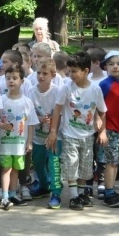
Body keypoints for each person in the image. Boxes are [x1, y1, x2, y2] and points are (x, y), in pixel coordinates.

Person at [46, 51, 107, 210]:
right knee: (71, 166)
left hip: (87, 135)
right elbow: (57, 111)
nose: (70, 74)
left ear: (86, 71)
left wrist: (102, 131)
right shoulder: (66, 88)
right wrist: (53, 131)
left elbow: (102, 111)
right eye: (69, 71)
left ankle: (81, 194)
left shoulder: (95, 89)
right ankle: (74, 197)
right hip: (69, 135)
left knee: (85, 168)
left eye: (74, 71)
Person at [0, 66, 39, 210]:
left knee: (15, 169)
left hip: (20, 143)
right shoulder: (0, 100)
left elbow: (31, 123)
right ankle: (5, 196)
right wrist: (1, 124)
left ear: (22, 81)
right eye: (8, 78)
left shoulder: (27, 101)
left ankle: (13, 194)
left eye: (15, 78)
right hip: (5, 143)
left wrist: (30, 142)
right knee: (6, 168)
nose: (11, 81)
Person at [27, 58, 64, 207]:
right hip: (37, 136)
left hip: (54, 135)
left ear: (53, 75)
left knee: (53, 164)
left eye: (45, 73)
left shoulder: (57, 92)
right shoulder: (31, 91)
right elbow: (28, 112)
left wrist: (53, 133)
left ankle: (56, 193)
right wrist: (38, 118)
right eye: (39, 73)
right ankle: (43, 186)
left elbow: (59, 113)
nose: (41, 76)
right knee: (38, 163)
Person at [98, 51, 119, 208]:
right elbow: (99, 108)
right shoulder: (104, 85)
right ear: (105, 67)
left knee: (115, 162)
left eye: (118, 63)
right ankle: (108, 192)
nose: (115, 67)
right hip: (110, 129)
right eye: (111, 64)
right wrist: (102, 130)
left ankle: (111, 190)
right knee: (111, 162)